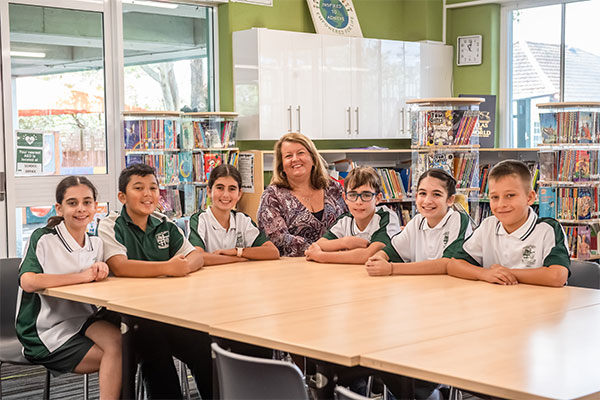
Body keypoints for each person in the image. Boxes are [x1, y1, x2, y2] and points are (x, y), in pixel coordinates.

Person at [97, 163, 209, 399]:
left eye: (153, 188)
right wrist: (169, 267)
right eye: (138, 188)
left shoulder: (165, 224)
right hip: (123, 313)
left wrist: (184, 266)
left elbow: (196, 255)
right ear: (122, 196)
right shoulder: (111, 225)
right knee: (153, 344)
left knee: (202, 342)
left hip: (164, 309)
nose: (148, 194)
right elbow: (119, 265)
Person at [16, 176, 121, 400]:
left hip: (82, 319)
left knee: (122, 344)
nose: (81, 209)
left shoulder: (96, 243)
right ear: (59, 208)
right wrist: (81, 277)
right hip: (45, 329)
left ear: (95, 207)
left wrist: (101, 270)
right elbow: (29, 281)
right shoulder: (43, 238)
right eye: (72, 203)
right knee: (121, 358)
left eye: (87, 202)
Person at [447, 160, 570, 287]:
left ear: (530, 198)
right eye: (495, 197)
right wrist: (485, 274)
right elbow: (454, 264)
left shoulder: (548, 229)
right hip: (498, 301)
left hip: (540, 303)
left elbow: (557, 276)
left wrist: (507, 273)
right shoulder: (488, 226)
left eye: (510, 195)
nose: (501, 204)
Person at [365, 169, 472, 276]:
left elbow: (447, 264)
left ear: (450, 200)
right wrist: (379, 258)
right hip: (420, 286)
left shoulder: (458, 219)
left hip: (451, 288)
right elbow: (391, 251)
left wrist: (392, 268)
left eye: (436, 194)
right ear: (416, 197)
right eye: (423, 193)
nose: (427, 201)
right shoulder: (417, 221)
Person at [257, 132, 348, 256]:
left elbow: (351, 223)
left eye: (301, 153)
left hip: (339, 262)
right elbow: (279, 240)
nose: (295, 159)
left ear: (313, 158)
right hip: (294, 268)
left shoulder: (334, 188)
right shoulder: (272, 196)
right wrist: (326, 249)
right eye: (288, 156)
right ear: (281, 165)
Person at [305, 166, 400, 264]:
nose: (358, 202)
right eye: (352, 195)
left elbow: (370, 255)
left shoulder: (386, 217)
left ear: (378, 198)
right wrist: (346, 242)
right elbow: (318, 245)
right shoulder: (345, 220)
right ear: (345, 198)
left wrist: (321, 256)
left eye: (366, 195)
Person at [189, 164, 279, 264]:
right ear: (209, 191)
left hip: (238, 276)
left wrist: (237, 251)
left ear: (239, 194)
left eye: (232, 189)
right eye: (220, 188)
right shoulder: (200, 220)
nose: (226, 195)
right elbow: (197, 257)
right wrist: (237, 259)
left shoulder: (243, 220)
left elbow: (272, 252)